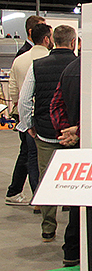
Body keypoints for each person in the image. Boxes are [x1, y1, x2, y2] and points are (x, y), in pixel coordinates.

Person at [17, 25, 78, 243]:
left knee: (47, 178)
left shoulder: (37, 65)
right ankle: (74, 226)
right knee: (75, 178)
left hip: (45, 132)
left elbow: (24, 100)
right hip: (73, 133)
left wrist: (28, 125)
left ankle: (48, 227)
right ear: (73, 42)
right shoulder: (79, 65)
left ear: (53, 40)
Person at [5, 22, 51, 207]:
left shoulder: (20, 59)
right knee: (47, 157)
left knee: (30, 155)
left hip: (26, 116)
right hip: (47, 117)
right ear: (46, 39)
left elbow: (13, 89)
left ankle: (36, 197)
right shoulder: (48, 59)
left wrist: (21, 114)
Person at [50, 53, 82, 266]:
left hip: (75, 145)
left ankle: (71, 250)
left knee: (77, 201)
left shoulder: (70, 70)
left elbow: (55, 105)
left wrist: (65, 131)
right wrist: (77, 131)